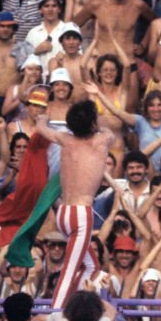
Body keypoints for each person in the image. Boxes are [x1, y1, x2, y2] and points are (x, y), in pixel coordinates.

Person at [34, 101, 115, 308]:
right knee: (69, 272)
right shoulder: (101, 140)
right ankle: (56, 312)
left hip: (63, 213)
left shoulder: (65, 139)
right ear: (92, 123)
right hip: (81, 214)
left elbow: (41, 128)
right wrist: (95, 122)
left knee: (92, 267)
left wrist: (43, 118)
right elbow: (108, 131)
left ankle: (74, 306)